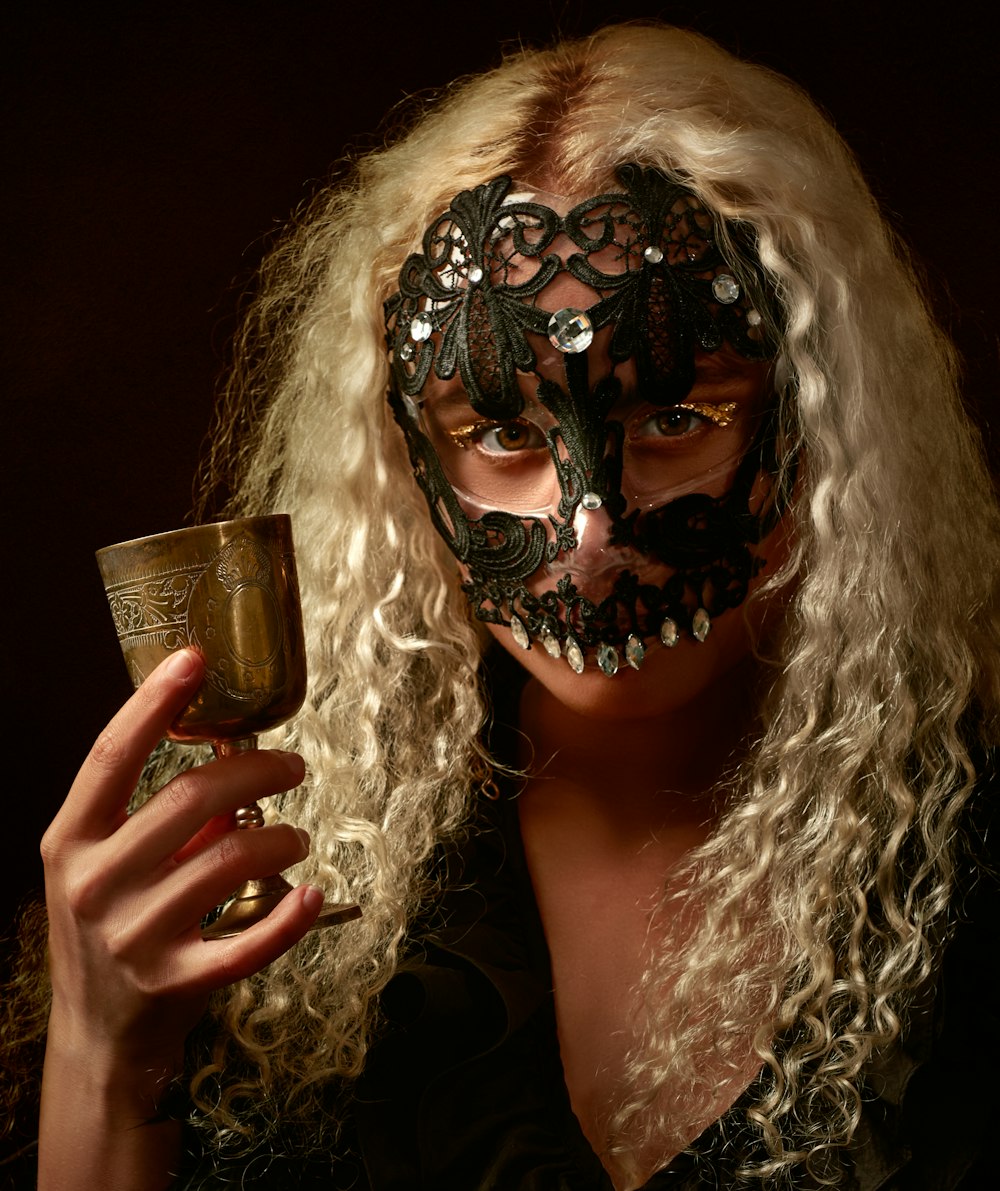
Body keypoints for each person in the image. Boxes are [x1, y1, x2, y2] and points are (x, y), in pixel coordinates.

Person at [9, 21, 1000, 1189]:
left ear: (825, 427)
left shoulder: (968, 879)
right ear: (398, 454)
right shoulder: (262, 888)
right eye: (502, 435)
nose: (587, 545)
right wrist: (104, 1056)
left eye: (678, 421)